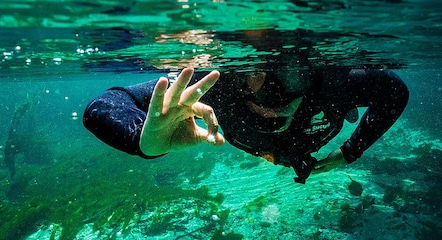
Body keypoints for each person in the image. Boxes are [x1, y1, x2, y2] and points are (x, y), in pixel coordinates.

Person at [83, 67, 409, 183]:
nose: (273, 86)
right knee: (284, 156)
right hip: (265, 147)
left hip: (306, 144)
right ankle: (289, 160)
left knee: (297, 160)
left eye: (292, 70)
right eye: (257, 72)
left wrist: (351, 151)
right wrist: (145, 140)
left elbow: (395, 92)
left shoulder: (334, 81)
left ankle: (296, 161)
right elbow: (102, 105)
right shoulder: (215, 86)